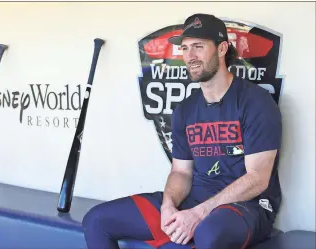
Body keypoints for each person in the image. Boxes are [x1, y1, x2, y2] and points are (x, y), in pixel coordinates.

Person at [82, 13, 282, 249]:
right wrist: (168, 205)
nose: (190, 56)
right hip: (194, 199)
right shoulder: (185, 110)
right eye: (185, 48)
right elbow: (181, 172)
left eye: (198, 46)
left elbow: (257, 179)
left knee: (209, 233)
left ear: (222, 48)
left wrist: (199, 213)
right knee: (96, 220)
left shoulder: (255, 101)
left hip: (246, 206)